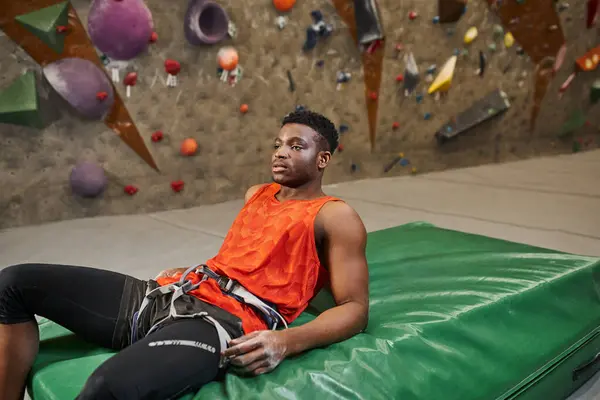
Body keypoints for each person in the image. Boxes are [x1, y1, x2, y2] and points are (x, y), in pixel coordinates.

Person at [0, 109, 370, 400]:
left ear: (322, 160)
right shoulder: (257, 193)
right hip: (169, 294)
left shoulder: (335, 216)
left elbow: (354, 308)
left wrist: (286, 342)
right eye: (278, 143)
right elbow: (250, 256)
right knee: (12, 283)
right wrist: (199, 271)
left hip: (219, 325)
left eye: (295, 146)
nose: (280, 153)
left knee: (106, 389)